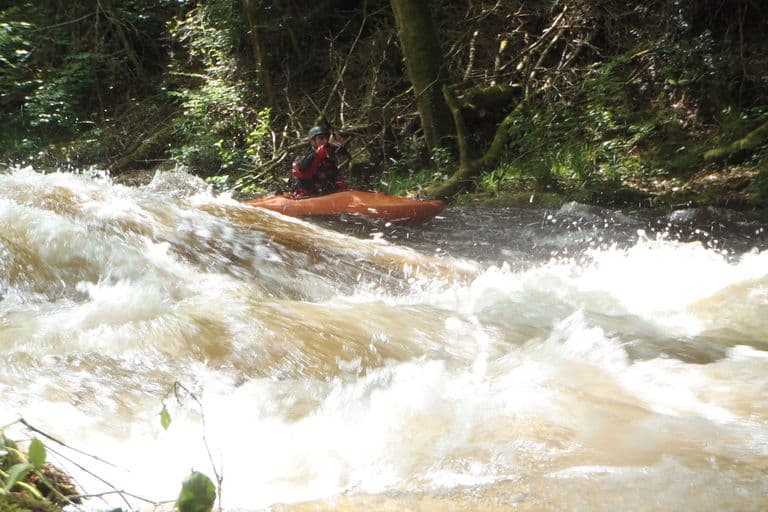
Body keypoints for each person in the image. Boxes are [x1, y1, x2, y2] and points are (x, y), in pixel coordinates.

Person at [291, 124, 347, 199]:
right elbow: (304, 167)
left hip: (327, 197)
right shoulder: (303, 159)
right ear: (312, 142)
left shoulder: (329, 159)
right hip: (306, 198)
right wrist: (327, 146)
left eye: (327, 138)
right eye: (321, 138)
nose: (325, 141)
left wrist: (340, 146)